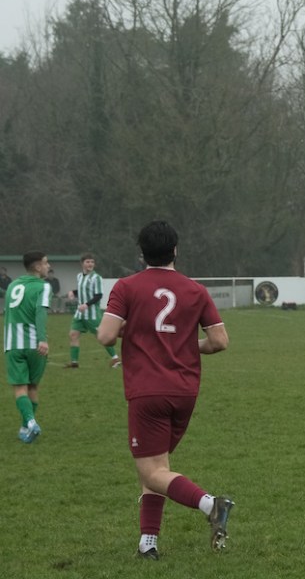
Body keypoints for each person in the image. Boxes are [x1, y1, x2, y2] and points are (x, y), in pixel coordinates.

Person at [97, 221, 234, 560]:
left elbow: (105, 335)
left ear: (141, 253)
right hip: (184, 391)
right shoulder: (195, 290)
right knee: (159, 467)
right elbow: (219, 342)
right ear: (175, 250)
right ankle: (148, 543)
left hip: (148, 390)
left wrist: (134, 329)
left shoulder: (126, 287)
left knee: (152, 471)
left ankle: (211, 505)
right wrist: (184, 343)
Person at [4, 251, 51, 443]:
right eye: (46, 263)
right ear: (38, 266)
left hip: (12, 344)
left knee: (19, 388)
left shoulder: (12, 285)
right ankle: (29, 424)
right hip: (34, 345)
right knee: (32, 387)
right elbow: (40, 313)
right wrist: (42, 339)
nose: (48, 266)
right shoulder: (43, 286)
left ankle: (28, 425)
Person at [64, 253, 121, 369]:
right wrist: (73, 292)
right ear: (82, 264)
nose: (90, 264)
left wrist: (86, 305)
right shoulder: (79, 276)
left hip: (92, 314)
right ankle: (74, 362)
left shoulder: (96, 278)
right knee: (73, 334)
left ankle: (115, 359)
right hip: (80, 314)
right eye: (87, 262)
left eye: (92, 262)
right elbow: (82, 290)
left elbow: (98, 295)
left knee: (101, 336)